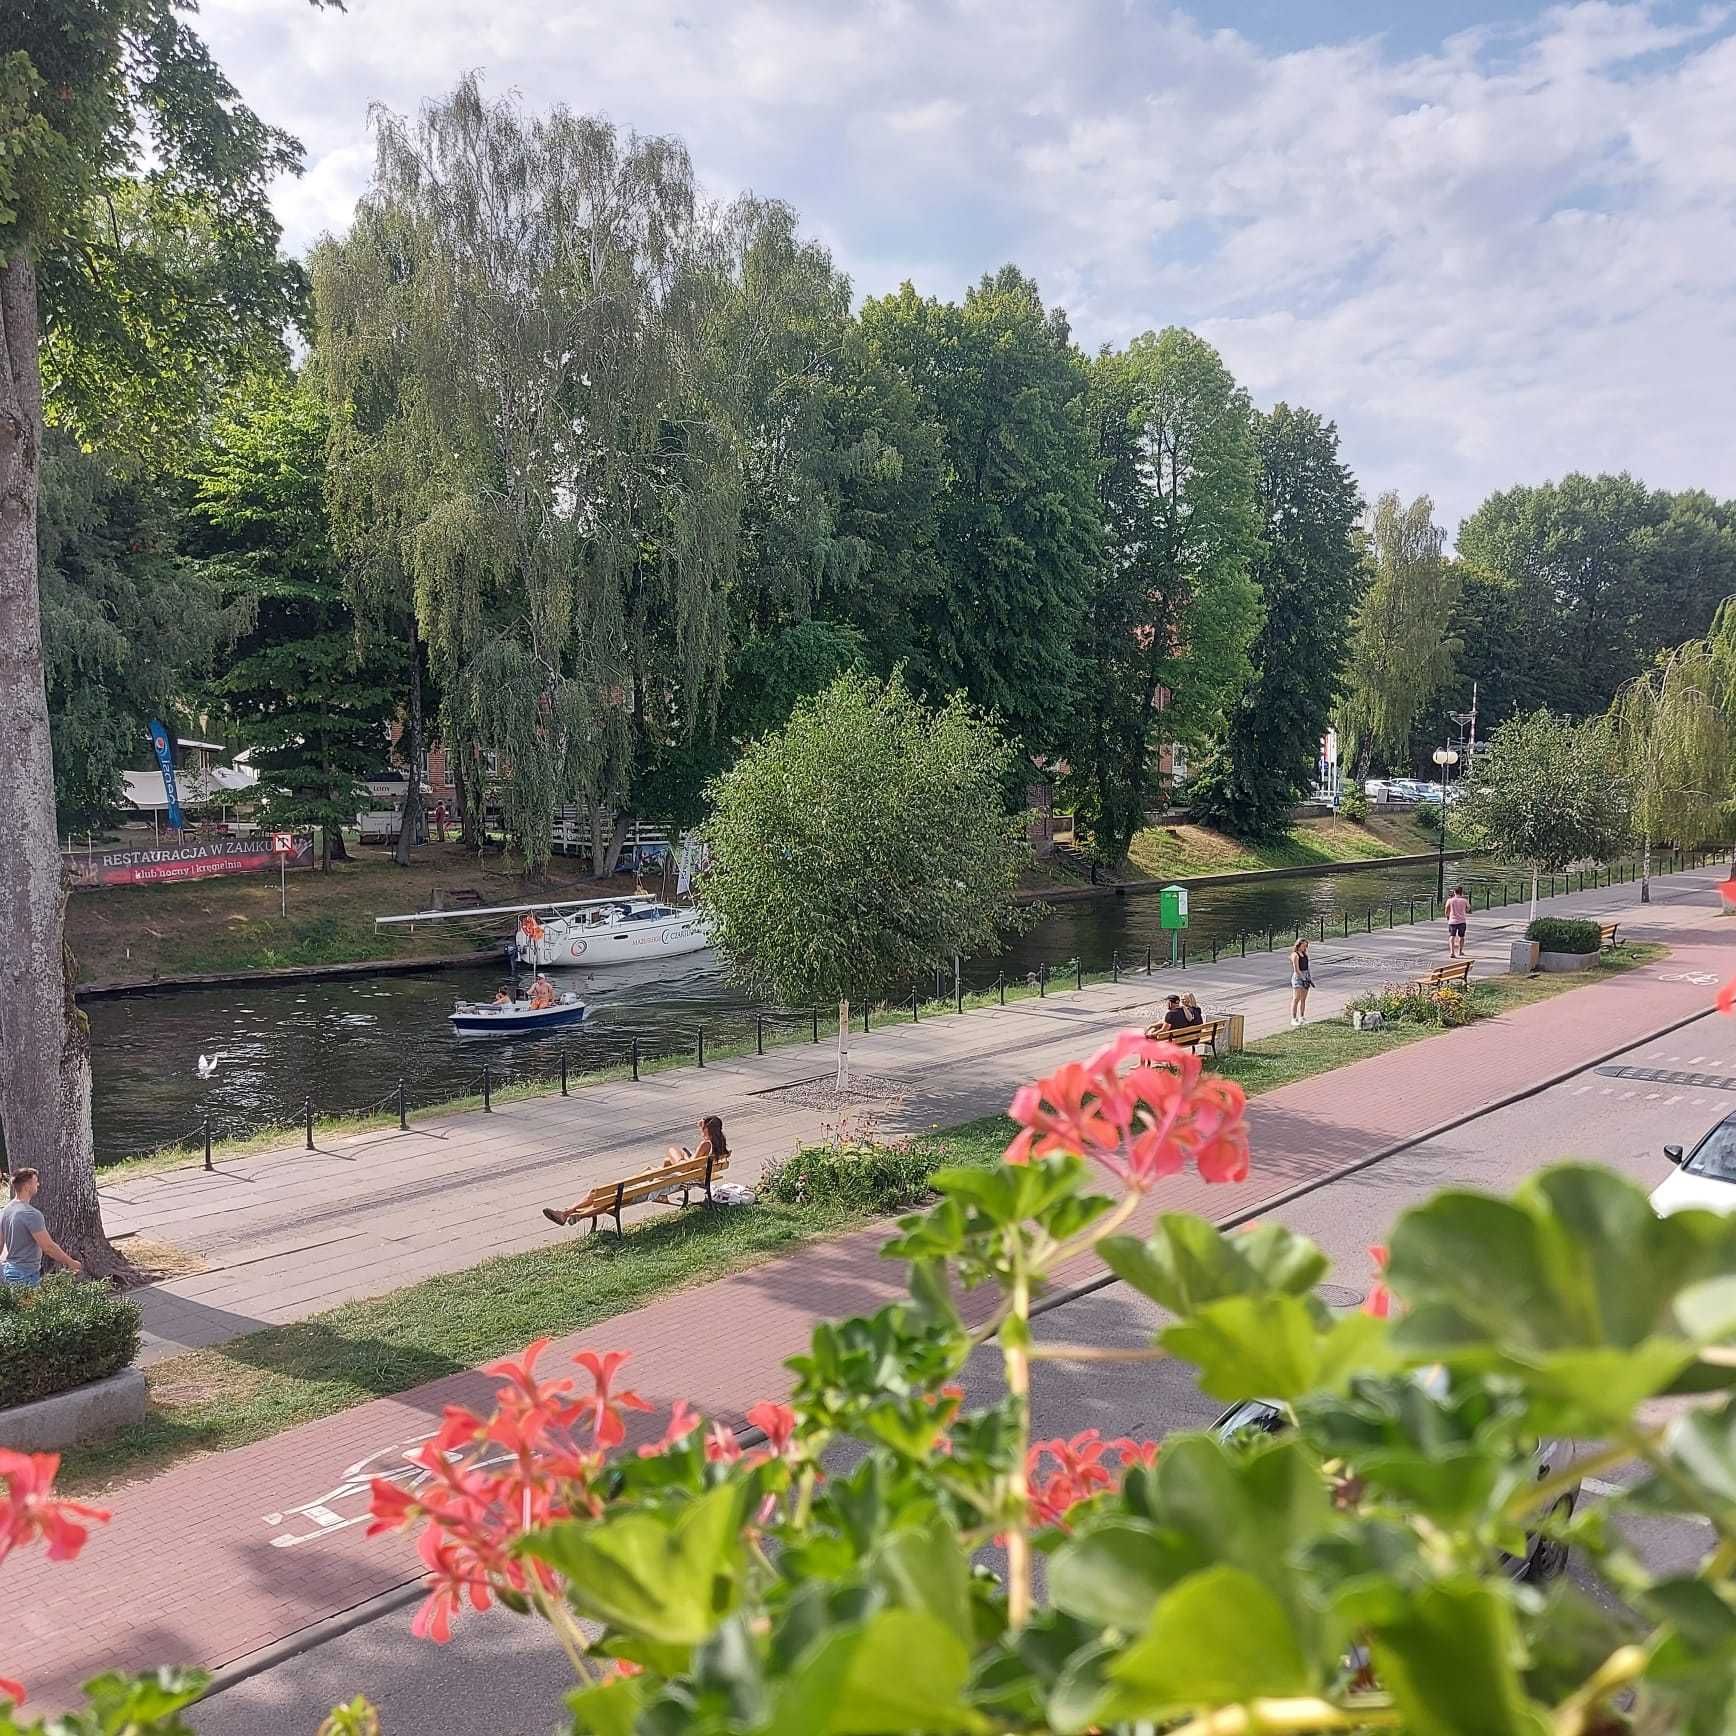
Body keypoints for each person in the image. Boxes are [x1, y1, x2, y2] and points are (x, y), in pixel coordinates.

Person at [542, 1116, 730, 1226]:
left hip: (667, 1183)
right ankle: (575, 1215)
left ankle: (567, 1213)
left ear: (707, 1129)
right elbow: (693, 1167)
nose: (700, 1131)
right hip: (677, 1182)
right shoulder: (718, 1146)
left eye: (702, 1128)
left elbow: (688, 1166)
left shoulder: (706, 1144)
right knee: (615, 1198)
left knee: (605, 1195)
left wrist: (684, 1158)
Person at [2, 1169, 80, 1288]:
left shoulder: (4, 1211)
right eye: (36, 1181)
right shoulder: (31, 1214)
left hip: (9, 1272)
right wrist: (71, 1263)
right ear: (27, 1186)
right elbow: (48, 1248)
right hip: (26, 1276)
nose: (38, 1184)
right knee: (30, 1307)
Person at [1290, 937, 1314, 1027]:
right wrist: (1303, 978)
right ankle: (1293, 1018)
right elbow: (1297, 969)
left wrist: (1309, 978)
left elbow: (1307, 967)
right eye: (1304, 946)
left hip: (1306, 975)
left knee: (1303, 999)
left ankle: (1302, 1017)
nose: (1305, 948)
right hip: (1298, 978)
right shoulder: (1295, 955)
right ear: (1298, 945)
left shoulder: (1305, 954)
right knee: (1296, 999)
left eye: (1306, 946)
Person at [1445, 884, 1471, 959]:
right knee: (1461, 936)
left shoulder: (1450, 900)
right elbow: (1468, 908)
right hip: (1462, 921)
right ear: (1461, 892)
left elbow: (1446, 909)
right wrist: (1464, 910)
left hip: (1452, 921)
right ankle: (1460, 951)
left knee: (1452, 936)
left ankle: (1452, 952)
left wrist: (1447, 916)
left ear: (1454, 892)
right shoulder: (1464, 900)